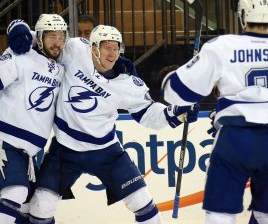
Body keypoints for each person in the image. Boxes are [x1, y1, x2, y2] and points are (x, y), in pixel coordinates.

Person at [10, 23, 199, 223]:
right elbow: (49, 41)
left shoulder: (128, 83)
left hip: (107, 152)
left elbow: (148, 113)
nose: (112, 53)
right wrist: (22, 31)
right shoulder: (75, 51)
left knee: (142, 201)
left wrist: (175, 113)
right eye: (107, 47)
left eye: (116, 48)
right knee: (41, 206)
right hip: (65, 151)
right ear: (93, 48)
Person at [162, 0, 268, 224]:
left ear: (242, 16)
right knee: (266, 214)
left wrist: (190, 69)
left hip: (236, 139)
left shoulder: (221, 46)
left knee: (220, 214)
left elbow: (173, 92)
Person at [0, 14, 67, 224]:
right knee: (16, 193)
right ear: (38, 37)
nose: (57, 42)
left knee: (36, 208)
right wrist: (17, 26)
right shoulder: (21, 55)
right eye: (51, 36)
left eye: (61, 36)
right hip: (5, 143)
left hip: (27, 154)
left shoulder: (61, 68)